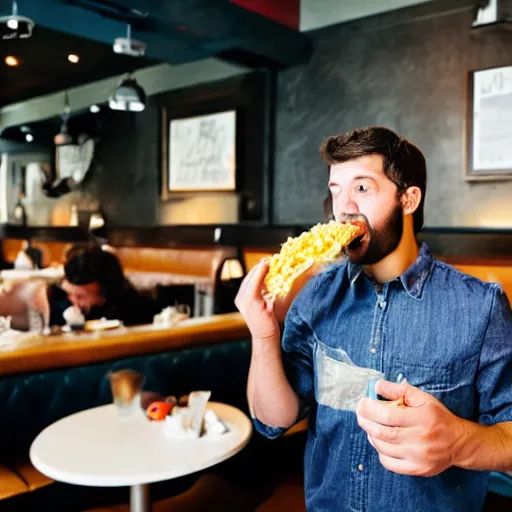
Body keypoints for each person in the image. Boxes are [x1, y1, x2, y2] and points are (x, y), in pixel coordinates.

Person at [235, 126, 512, 511]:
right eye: (336, 190)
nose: (344, 207)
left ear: (409, 199)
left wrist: (460, 443)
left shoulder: (481, 308)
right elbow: (274, 420)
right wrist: (263, 334)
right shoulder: (315, 295)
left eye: (361, 188)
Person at [49, 246, 159, 327]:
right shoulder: (69, 307)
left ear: (106, 293)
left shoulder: (136, 312)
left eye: (80, 297)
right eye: (70, 295)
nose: (73, 301)